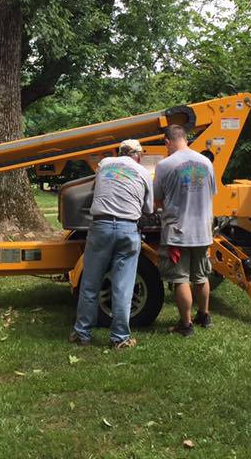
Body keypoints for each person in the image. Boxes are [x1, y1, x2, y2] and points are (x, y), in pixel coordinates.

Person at [70, 138, 153, 350]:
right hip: (128, 229)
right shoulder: (143, 172)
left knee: (90, 284)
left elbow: (98, 188)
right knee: (123, 287)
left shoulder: (105, 164)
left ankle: (82, 334)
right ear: (139, 155)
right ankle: (120, 338)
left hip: (100, 227)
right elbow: (148, 209)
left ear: (119, 152)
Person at [154, 124, 218, 337]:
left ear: (167, 142)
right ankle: (205, 315)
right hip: (203, 230)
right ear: (186, 139)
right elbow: (212, 193)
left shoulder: (164, 165)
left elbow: (157, 201)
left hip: (178, 232)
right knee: (201, 275)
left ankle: (186, 324)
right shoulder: (206, 162)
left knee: (180, 278)